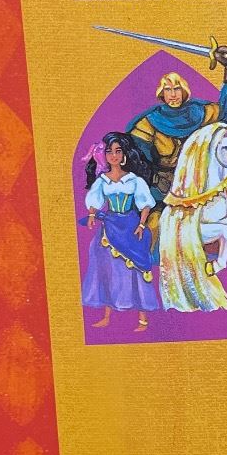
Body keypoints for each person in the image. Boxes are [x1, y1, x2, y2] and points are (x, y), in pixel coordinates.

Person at [127, 46, 227, 209]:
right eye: (168, 89)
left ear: (184, 91)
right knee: (155, 221)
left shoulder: (201, 113)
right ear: (161, 93)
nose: (173, 94)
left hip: (199, 188)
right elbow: (137, 160)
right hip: (162, 192)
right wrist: (155, 182)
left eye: (176, 89)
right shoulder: (148, 124)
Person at [81, 132, 159, 331]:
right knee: (106, 268)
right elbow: (95, 200)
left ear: (124, 154)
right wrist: (92, 214)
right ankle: (107, 316)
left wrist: (141, 225)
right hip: (109, 228)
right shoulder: (103, 181)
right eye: (110, 152)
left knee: (135, 268)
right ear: (105, 155)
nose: (114, 155)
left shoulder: (134, 180)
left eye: (118, 151)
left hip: (130, 227)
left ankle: (142, 319)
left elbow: (145, 205)